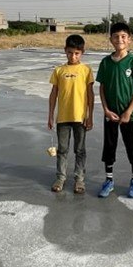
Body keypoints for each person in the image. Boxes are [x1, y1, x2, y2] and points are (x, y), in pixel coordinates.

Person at [96, 22, 133, 198]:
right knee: (109, 146)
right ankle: (109, 180)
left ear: (129, 39)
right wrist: (106, 110)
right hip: (111, 114)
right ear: (111, 39)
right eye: (116, 36)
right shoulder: (105, 62)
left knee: (132, 146)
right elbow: (102, 88)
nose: (120, 40)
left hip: (129, 115)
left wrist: (128, 111)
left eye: (123, 36)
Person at [48, 34, 95, 194]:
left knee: (80, 150)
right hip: (63, 117)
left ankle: (79, 179)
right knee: (62, 150)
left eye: (76, 53)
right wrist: (50, 115)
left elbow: (90, 95)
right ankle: (60, 178)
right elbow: (53, 94)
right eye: (70, 52)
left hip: (80, 118)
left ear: (82, 52)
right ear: (65, 51)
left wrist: (90, 116)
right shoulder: (59, 70)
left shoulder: (86, 70)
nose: (73, 56)